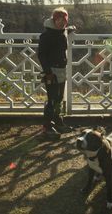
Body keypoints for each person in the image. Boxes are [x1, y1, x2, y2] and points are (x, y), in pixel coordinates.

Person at [38, 7, 74, 138]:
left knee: (59, 99)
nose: (62, 22)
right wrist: (47, 72)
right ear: (54, 19)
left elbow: (64, 32)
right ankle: (47, 127)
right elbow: (41, 55)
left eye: (64, 20)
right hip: (51, 71)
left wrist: (70, 29)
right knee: (52, 100)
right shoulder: (46, 35)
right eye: (59, 20)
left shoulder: (62, 32)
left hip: (62, 70)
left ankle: (58, 122)